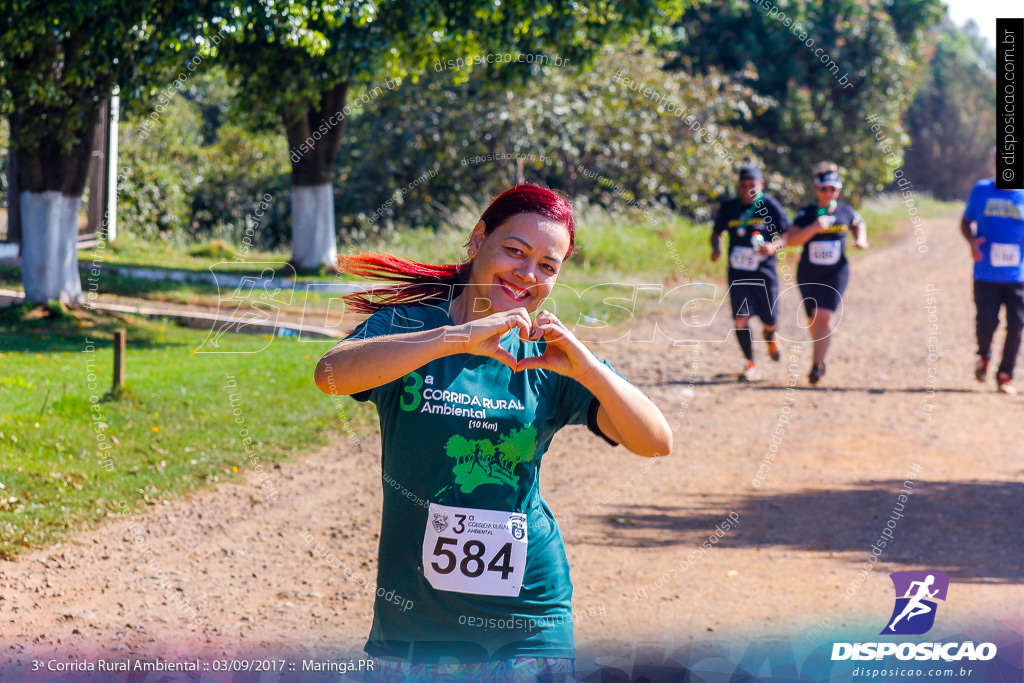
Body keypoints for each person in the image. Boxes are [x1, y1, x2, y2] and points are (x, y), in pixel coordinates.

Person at [314, 184, 672, 681]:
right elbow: (330, 374)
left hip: (529, 619)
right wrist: (455, 340)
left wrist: (588, 369)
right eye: (516, 251)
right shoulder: (410, 327)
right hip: (414, 624)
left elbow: (656, 442)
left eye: (548, 266)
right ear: (478, 239)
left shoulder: (546, 355)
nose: (528, 274)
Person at [786, 162, 868, 385]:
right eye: (824, 189)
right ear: (816, 189)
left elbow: (858, 223)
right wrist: (813, 227)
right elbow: (791, 241)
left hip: (835, 273)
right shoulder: (806, 213)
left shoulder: (844, 210)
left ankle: (816, 365)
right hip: (808, 273)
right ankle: (820, 357)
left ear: (838, 190)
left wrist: (861, 239)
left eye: (833, 189)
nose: (829, 193)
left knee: (824, 317)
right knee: (813, 319)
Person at [711, 165, 791, 381]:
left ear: (761, 185)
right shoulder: (729, 207)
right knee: (740, 318)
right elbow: (717, 231)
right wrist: (716, 248)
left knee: (770, 319)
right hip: (738, 274)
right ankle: (750, 362)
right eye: (743, 186)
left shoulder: (769, 206)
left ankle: (771, 335)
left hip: (764, 273)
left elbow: (786, 234)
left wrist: (773, 247)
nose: (748, 190)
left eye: (752, 186)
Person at [961, 161, 1024, 395]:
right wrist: (972, 242)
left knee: (1017, 326)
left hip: (1018, 276)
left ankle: (1005, 375)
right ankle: (984, 355)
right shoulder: (982, 190)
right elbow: (966, 222)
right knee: (987, 323)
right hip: (985, 274)